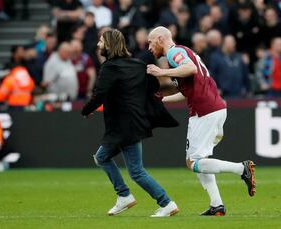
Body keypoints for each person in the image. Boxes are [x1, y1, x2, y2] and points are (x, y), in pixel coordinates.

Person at [146, 26, 256, 216]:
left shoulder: (174, 52)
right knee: (198, 160)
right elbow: (186, 90)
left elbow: (190, 69)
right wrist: (162, 100)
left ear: (161, 38)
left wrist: (160, 73)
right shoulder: (181, 54)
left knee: (193, 162)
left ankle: (241, 168)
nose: (148, 47)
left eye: (150, 41)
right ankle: (217, 205)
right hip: (211, 108)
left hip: (205, 110)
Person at [82, 29, 179, 217]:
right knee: (102, 157)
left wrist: (86, 110)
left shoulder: (110, 67)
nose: (98, 45)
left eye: (101, 41)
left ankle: (165, 203)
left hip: (124, 126)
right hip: (133, 122)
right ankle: (124, 195)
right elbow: (153, 85)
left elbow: (99, 94)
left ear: (109, 45)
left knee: (136, 171)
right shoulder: (136, 64)